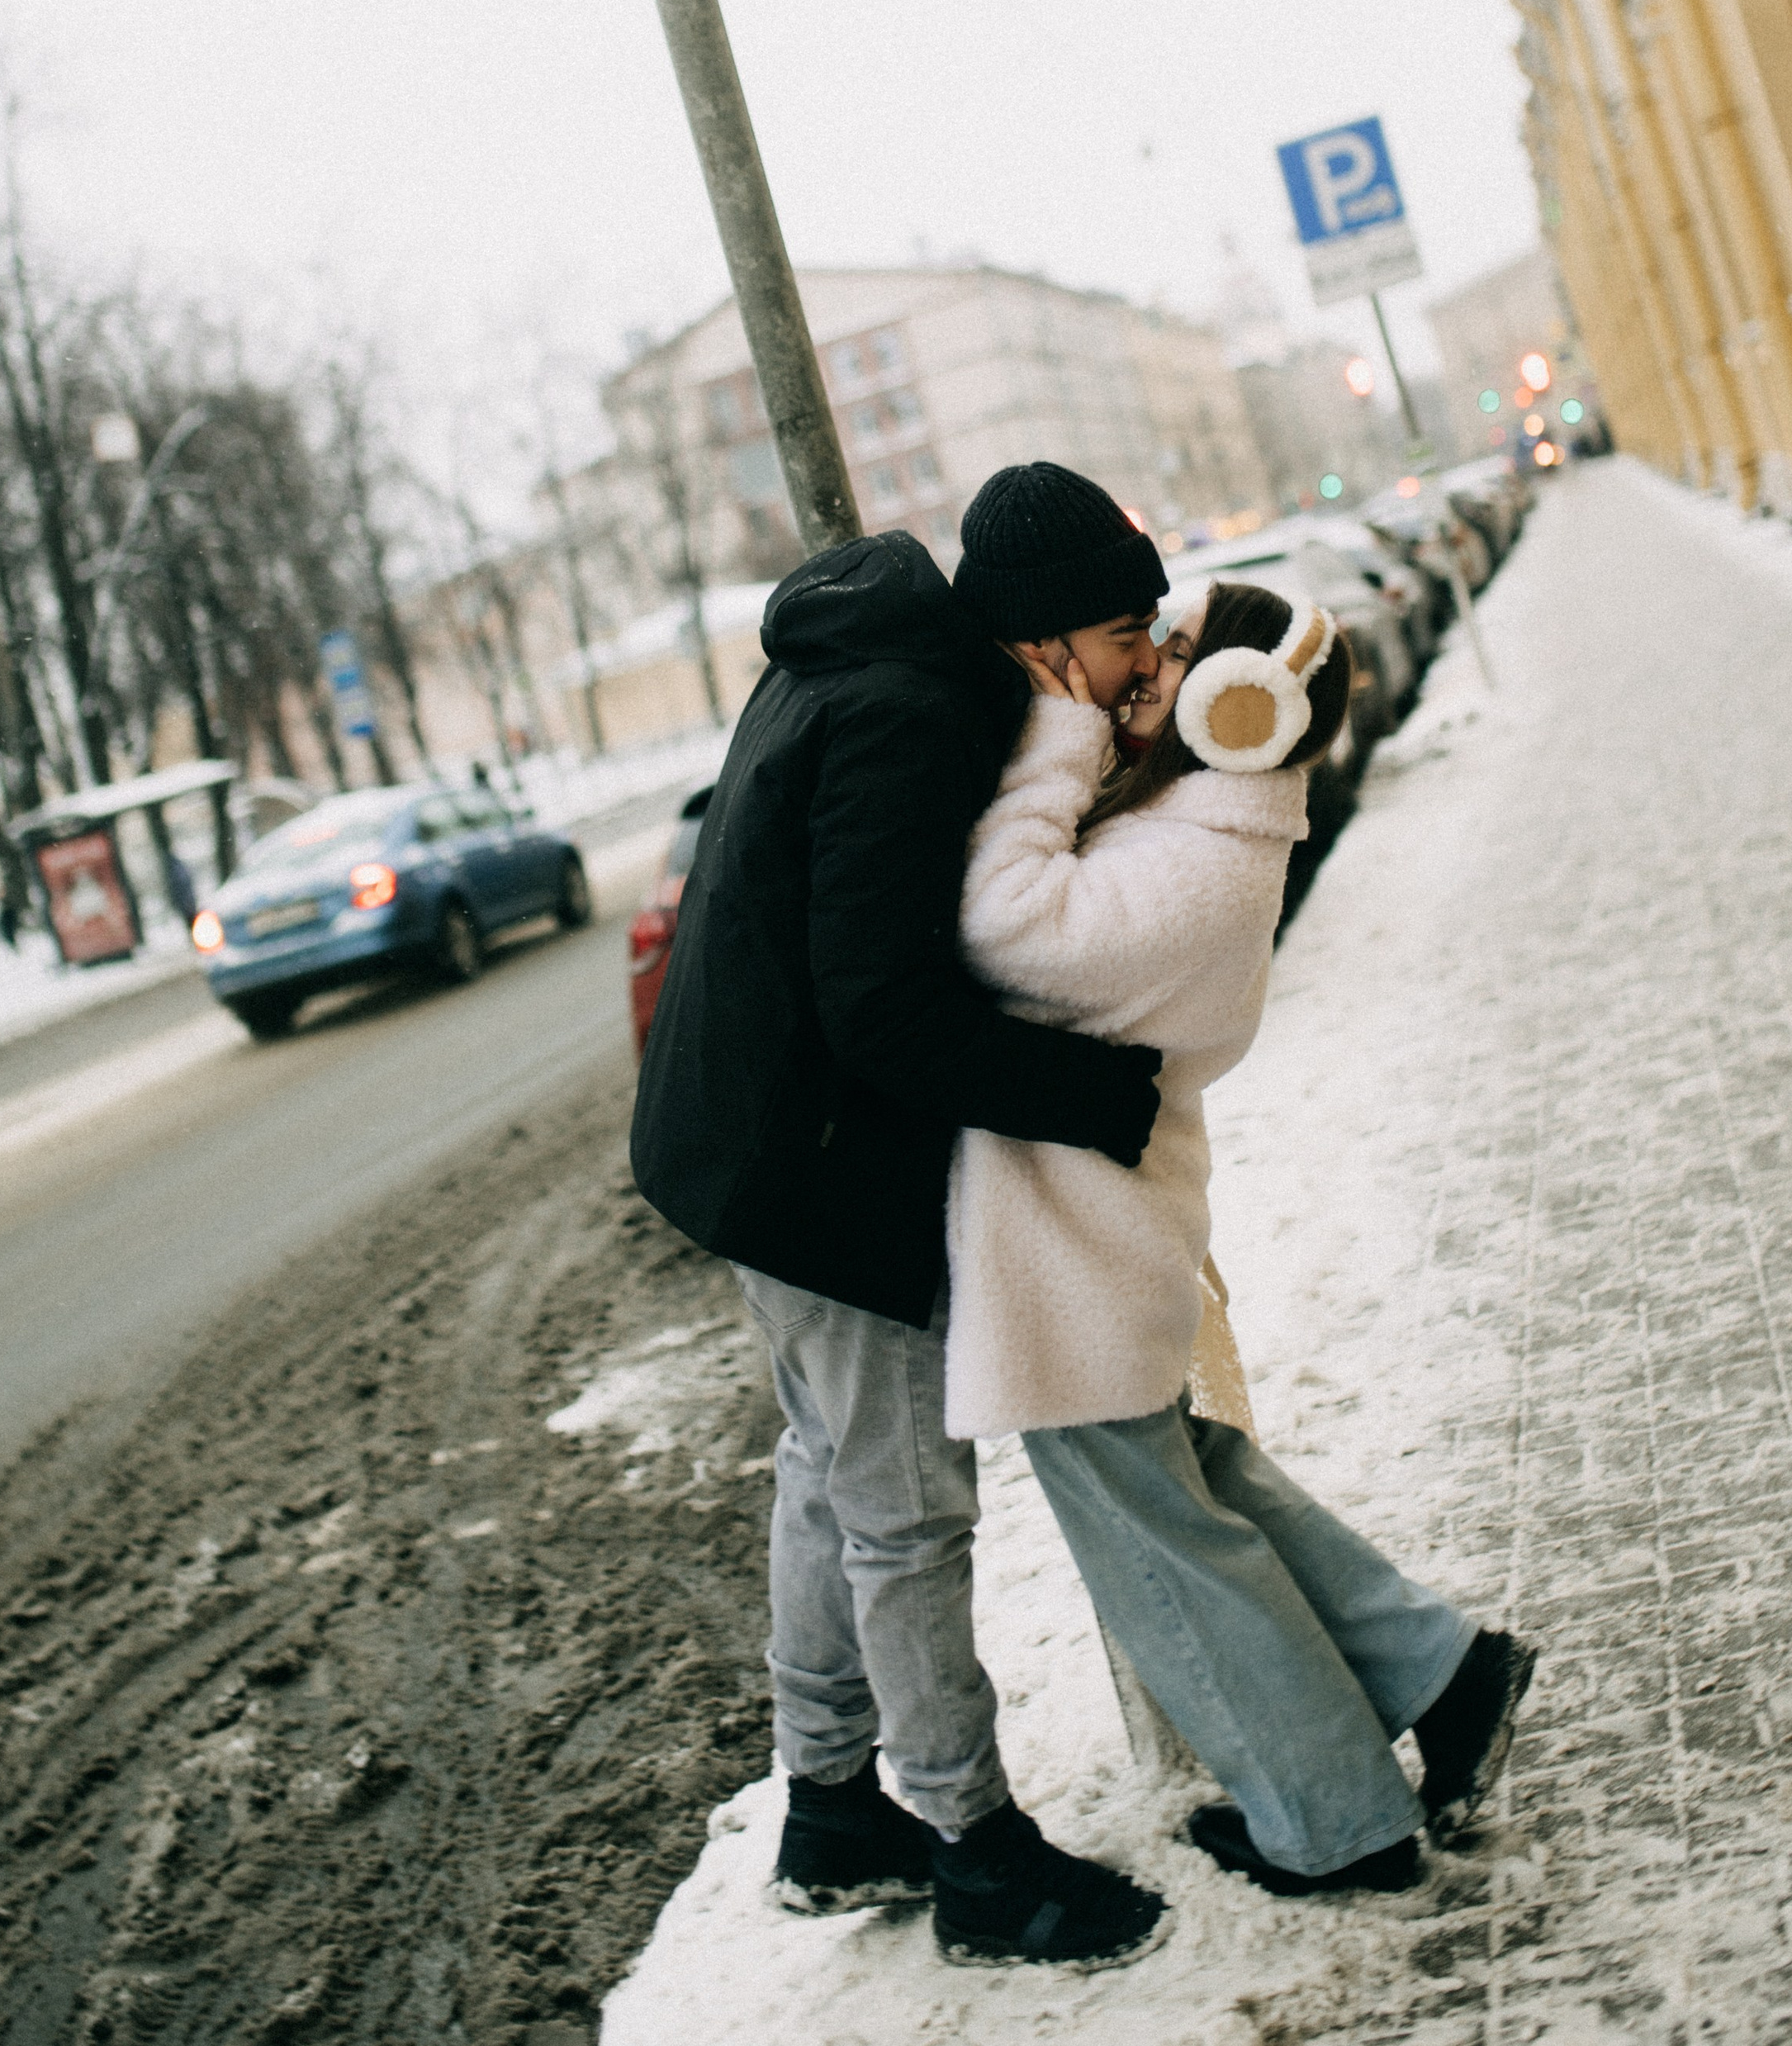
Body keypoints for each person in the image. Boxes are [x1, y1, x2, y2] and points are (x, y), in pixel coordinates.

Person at [632, 461, 1181, 1967]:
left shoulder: (868, 667)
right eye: (1132, 629)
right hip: (810, 1162)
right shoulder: (918, 714)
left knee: (830, 1471)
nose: (1148, 658)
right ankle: (975, 1854)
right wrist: (1098, 1094)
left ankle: (826, 1809)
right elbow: (883, 1009)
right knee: (905, 1514)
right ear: (1051, 636)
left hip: (742, 1138)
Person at [948, 579, 1537, 1895]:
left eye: (1178, 651)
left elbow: (1000, 924)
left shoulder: (1200, 861)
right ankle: (1440, 1674)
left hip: (1078, 1246)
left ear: (1236, 703)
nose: (1147, 661)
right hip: (1090, 1230)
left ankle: (1337, 1822)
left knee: (1164, 1544)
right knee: (1198, 1480)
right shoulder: (1203, 820)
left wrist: (1052, 742)